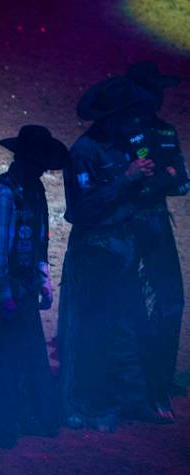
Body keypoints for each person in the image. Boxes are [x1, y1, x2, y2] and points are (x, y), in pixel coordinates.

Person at [59, 76, 174, 430]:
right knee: (92, 329)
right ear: (113, 116)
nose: (135, 122)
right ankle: (82, 403)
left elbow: (142, 192)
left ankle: (128, 399)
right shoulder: (84, 152)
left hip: (123, 251)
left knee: (126, 326)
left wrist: (158, 178)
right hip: (95, 255)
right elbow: (80, 210)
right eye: (129, 115)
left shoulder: (129, 145)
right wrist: (126, 178)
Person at [0, 126, 67, 448]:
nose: (41, 169)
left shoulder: (33, 191)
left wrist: (43, 277)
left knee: (22, 356)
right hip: (3, 292)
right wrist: (5, 296)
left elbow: (39, 239)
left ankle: (18, 418)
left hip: (20, 288)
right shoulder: (3, 194)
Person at [124, 62, 189, 409]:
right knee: (133, 302)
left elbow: (182, 182)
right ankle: (140, 384)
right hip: (133, 224)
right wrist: (162, 175)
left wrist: (160, 177)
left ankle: (158, 380)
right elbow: (147, 181)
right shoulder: (125, 132)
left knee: (170, 300)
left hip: (156, 222)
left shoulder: (165, 131)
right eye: (155, 90)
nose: (161, 97)